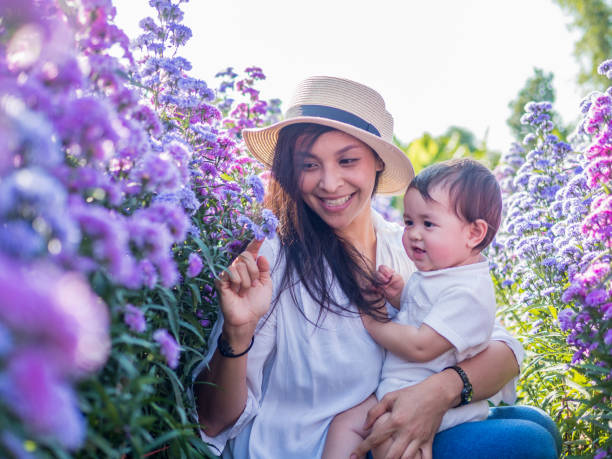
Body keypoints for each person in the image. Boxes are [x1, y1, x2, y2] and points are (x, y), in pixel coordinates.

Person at [193, 76, 562, 458]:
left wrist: (439, 392)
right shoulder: (275, 258)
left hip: (389, 425)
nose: (329, 182)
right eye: (309, 164)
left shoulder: (407, 245)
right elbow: (213, 421)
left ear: (378, 162)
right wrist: (238, 333)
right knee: (527, 442)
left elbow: (500, 348)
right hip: (317, 448)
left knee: (539, 422)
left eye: (347, 160)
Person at [322, 159, 505, 458]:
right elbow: (427, 313)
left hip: (427, 401)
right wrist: (399, 296)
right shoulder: (441, 272)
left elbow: (421, 346)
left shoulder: (469, 292)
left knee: (389, 440)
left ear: (474, 234)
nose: (414, 234)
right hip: (398, 387)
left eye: (428, 224)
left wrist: (373, 321)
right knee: (346, 424)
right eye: (409, 222)